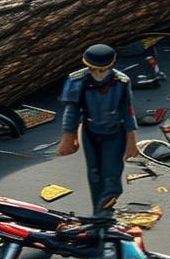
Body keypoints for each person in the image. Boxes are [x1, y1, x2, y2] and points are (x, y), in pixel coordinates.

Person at [57, 44, 140, 215]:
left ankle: (105, 212)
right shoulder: (77, 80)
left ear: (111, 66)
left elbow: (127, 111)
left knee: (111, 175)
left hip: (115, 132)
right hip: (90, 132)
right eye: (94, 70)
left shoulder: (121, 82)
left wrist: (132, 141)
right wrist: (68, 137)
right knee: (94, 175)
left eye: (103, 70)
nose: (99, 75)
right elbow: (72, 110)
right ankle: (97, 211)